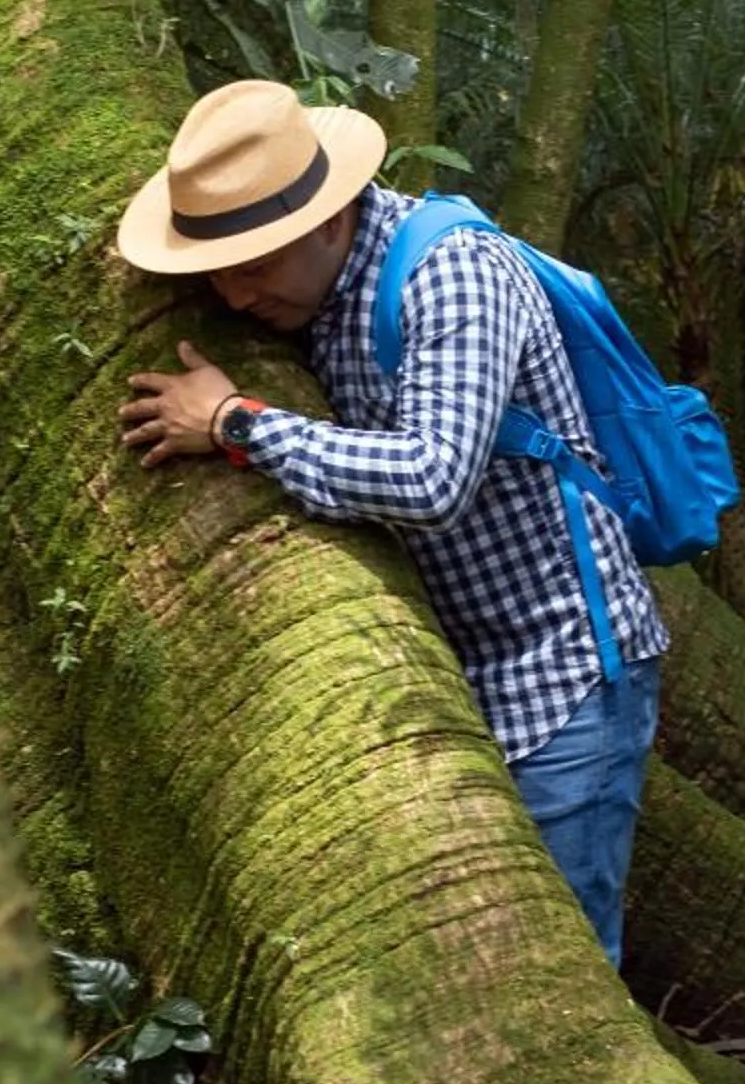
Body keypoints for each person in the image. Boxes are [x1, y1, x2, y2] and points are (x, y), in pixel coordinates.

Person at [114, 81, 667, 966]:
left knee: (558, 970)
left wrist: (237, 423)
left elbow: (433, 478)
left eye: (255, 263)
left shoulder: (454, 273)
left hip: (562, 676)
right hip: (452, 679)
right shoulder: (316, 295)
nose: (234, 292)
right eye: (216, 268)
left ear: (330, 220)